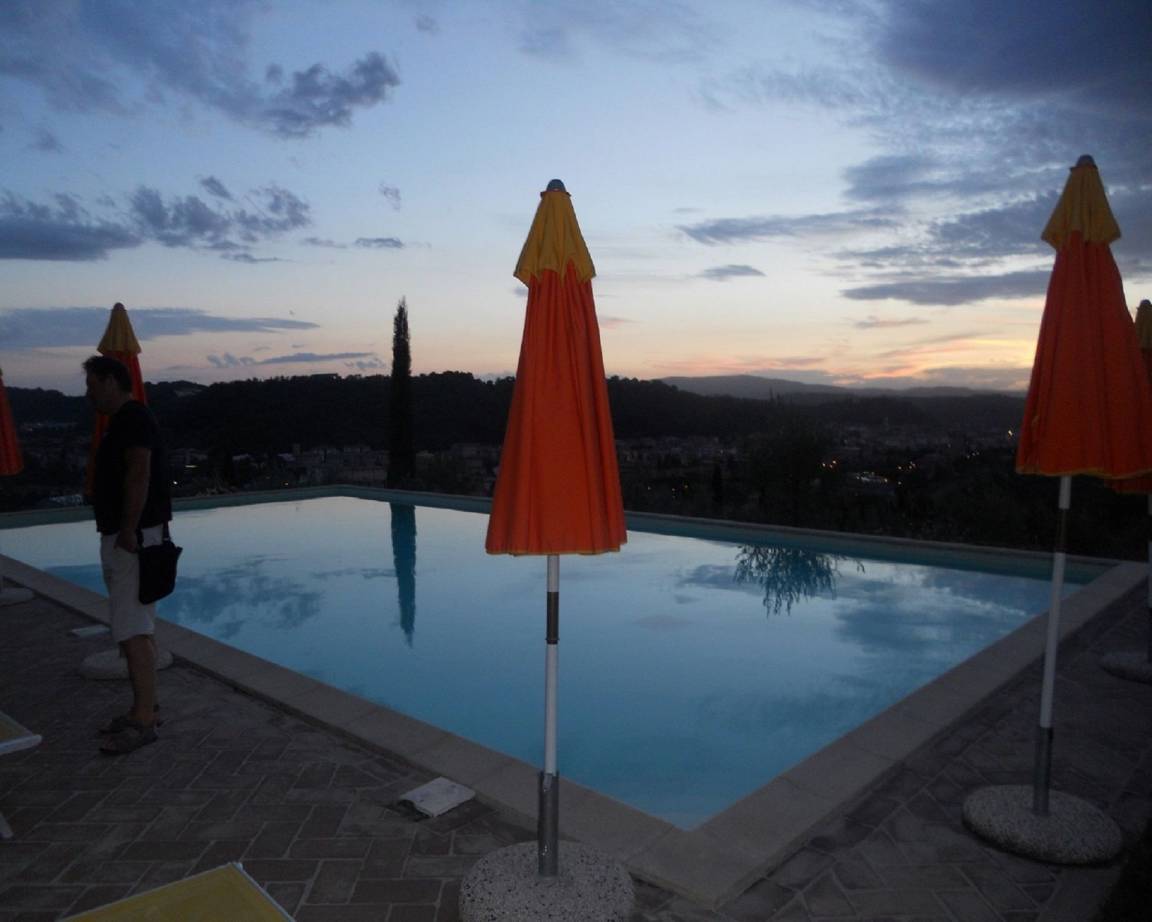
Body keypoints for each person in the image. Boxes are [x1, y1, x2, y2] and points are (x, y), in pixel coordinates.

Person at [83, 354, 172, 755]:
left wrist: (126, 530)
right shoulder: (124, 420)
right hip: (132, 536)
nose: (89, 394)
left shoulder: (133, 419)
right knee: (139, 629)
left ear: (110, 381)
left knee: (133, 632)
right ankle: (146, 708)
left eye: (92, 385)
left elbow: (139, 473)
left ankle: (143, 720)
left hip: (131, 539)